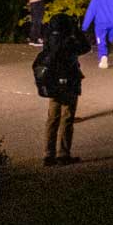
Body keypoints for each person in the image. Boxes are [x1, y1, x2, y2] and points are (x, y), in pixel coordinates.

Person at [32, 13, 90, 165]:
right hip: (69, 81)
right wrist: (76, 30)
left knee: (53, 118)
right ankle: (63, 154)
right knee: (67, 117)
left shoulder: (50, 40)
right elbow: (86, 47)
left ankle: (48, 154)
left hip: (53, 82)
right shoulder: (69, 41)